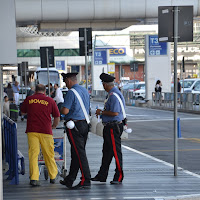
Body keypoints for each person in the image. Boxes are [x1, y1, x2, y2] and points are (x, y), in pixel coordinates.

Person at [20, 84, 60, 187]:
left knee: (33, 154)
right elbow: (57, 116)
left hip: (32, 130)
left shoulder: (29, 99)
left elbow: (22, 112)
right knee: (49, 154)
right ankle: (53, 176)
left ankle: (34, 178)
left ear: (35, 91)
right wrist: (54, 126)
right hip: (46, 130)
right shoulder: (50, 101)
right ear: (45, 91)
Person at [91, 73, 125, 184]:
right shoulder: (112, 94)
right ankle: (102, 175)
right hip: (110, 126)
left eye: (103, 84)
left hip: (113, 127)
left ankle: (119, 176)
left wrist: (101, 112)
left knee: (116, 151)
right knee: (107, 152)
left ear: (105, 84)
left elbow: (115, 112)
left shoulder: (114, 95)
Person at [59, 72, 91, 189]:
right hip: (84, 124)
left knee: (79, 153)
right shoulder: (84, 90)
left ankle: (86, 179)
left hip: (74, 126)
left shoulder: (71, 93)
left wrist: (61, 108)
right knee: (76, 153)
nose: (65, 83)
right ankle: (70, 179)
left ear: (68, 80)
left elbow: (65, 111)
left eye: (65, 81)